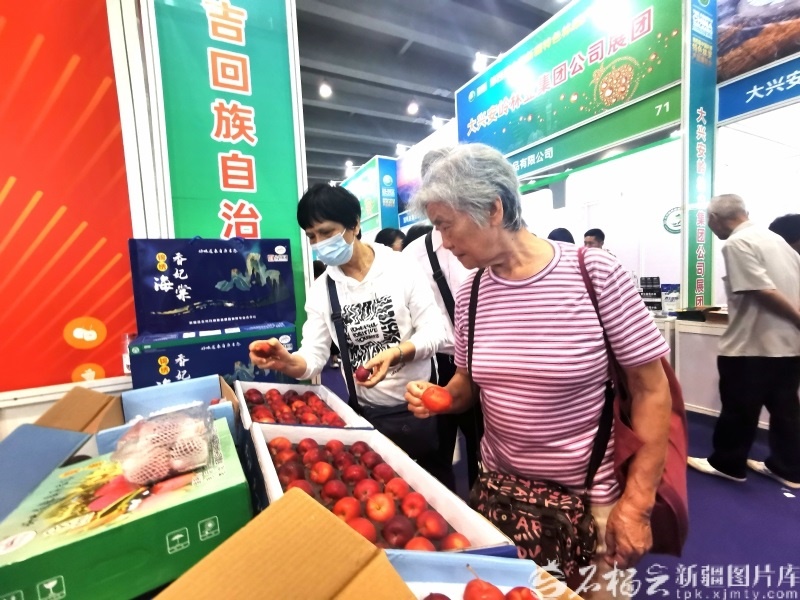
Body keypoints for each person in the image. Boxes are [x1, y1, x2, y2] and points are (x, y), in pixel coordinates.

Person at [405, 143, 671, 593]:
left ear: (493, 209)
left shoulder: (594, 274)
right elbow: (468, 382)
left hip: (590, 505)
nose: (444, 243)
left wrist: (638, 504)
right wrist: (443, 398)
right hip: (503, 500)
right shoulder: (471, 292)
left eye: (446, 225)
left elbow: (651, 390)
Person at [249, 183, 453, 486]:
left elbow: (436, 331)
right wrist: (287, 362)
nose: (320, 244)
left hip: (419, 408)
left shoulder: (400, 268)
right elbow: (313, 356)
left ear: (355, 224)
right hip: (367, 416)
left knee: (435, 490)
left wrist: (397, 352)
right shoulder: (322, 290)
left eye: (327, 232)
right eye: (312, 236)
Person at [688, 194, 800, 489]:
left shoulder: (737, 242)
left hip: (751, 345)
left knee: (738, 409)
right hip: (789, 346)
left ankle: (727, 464)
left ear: (714, 219)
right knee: (786, 411)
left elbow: (760, 290)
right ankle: (788, 469)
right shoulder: (778, 242)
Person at [403, 147, 482, 489]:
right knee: (437, 453)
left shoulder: (486, 243)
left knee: (484, 447)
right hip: (440, 364)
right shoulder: (413, 254)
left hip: (487, 363)